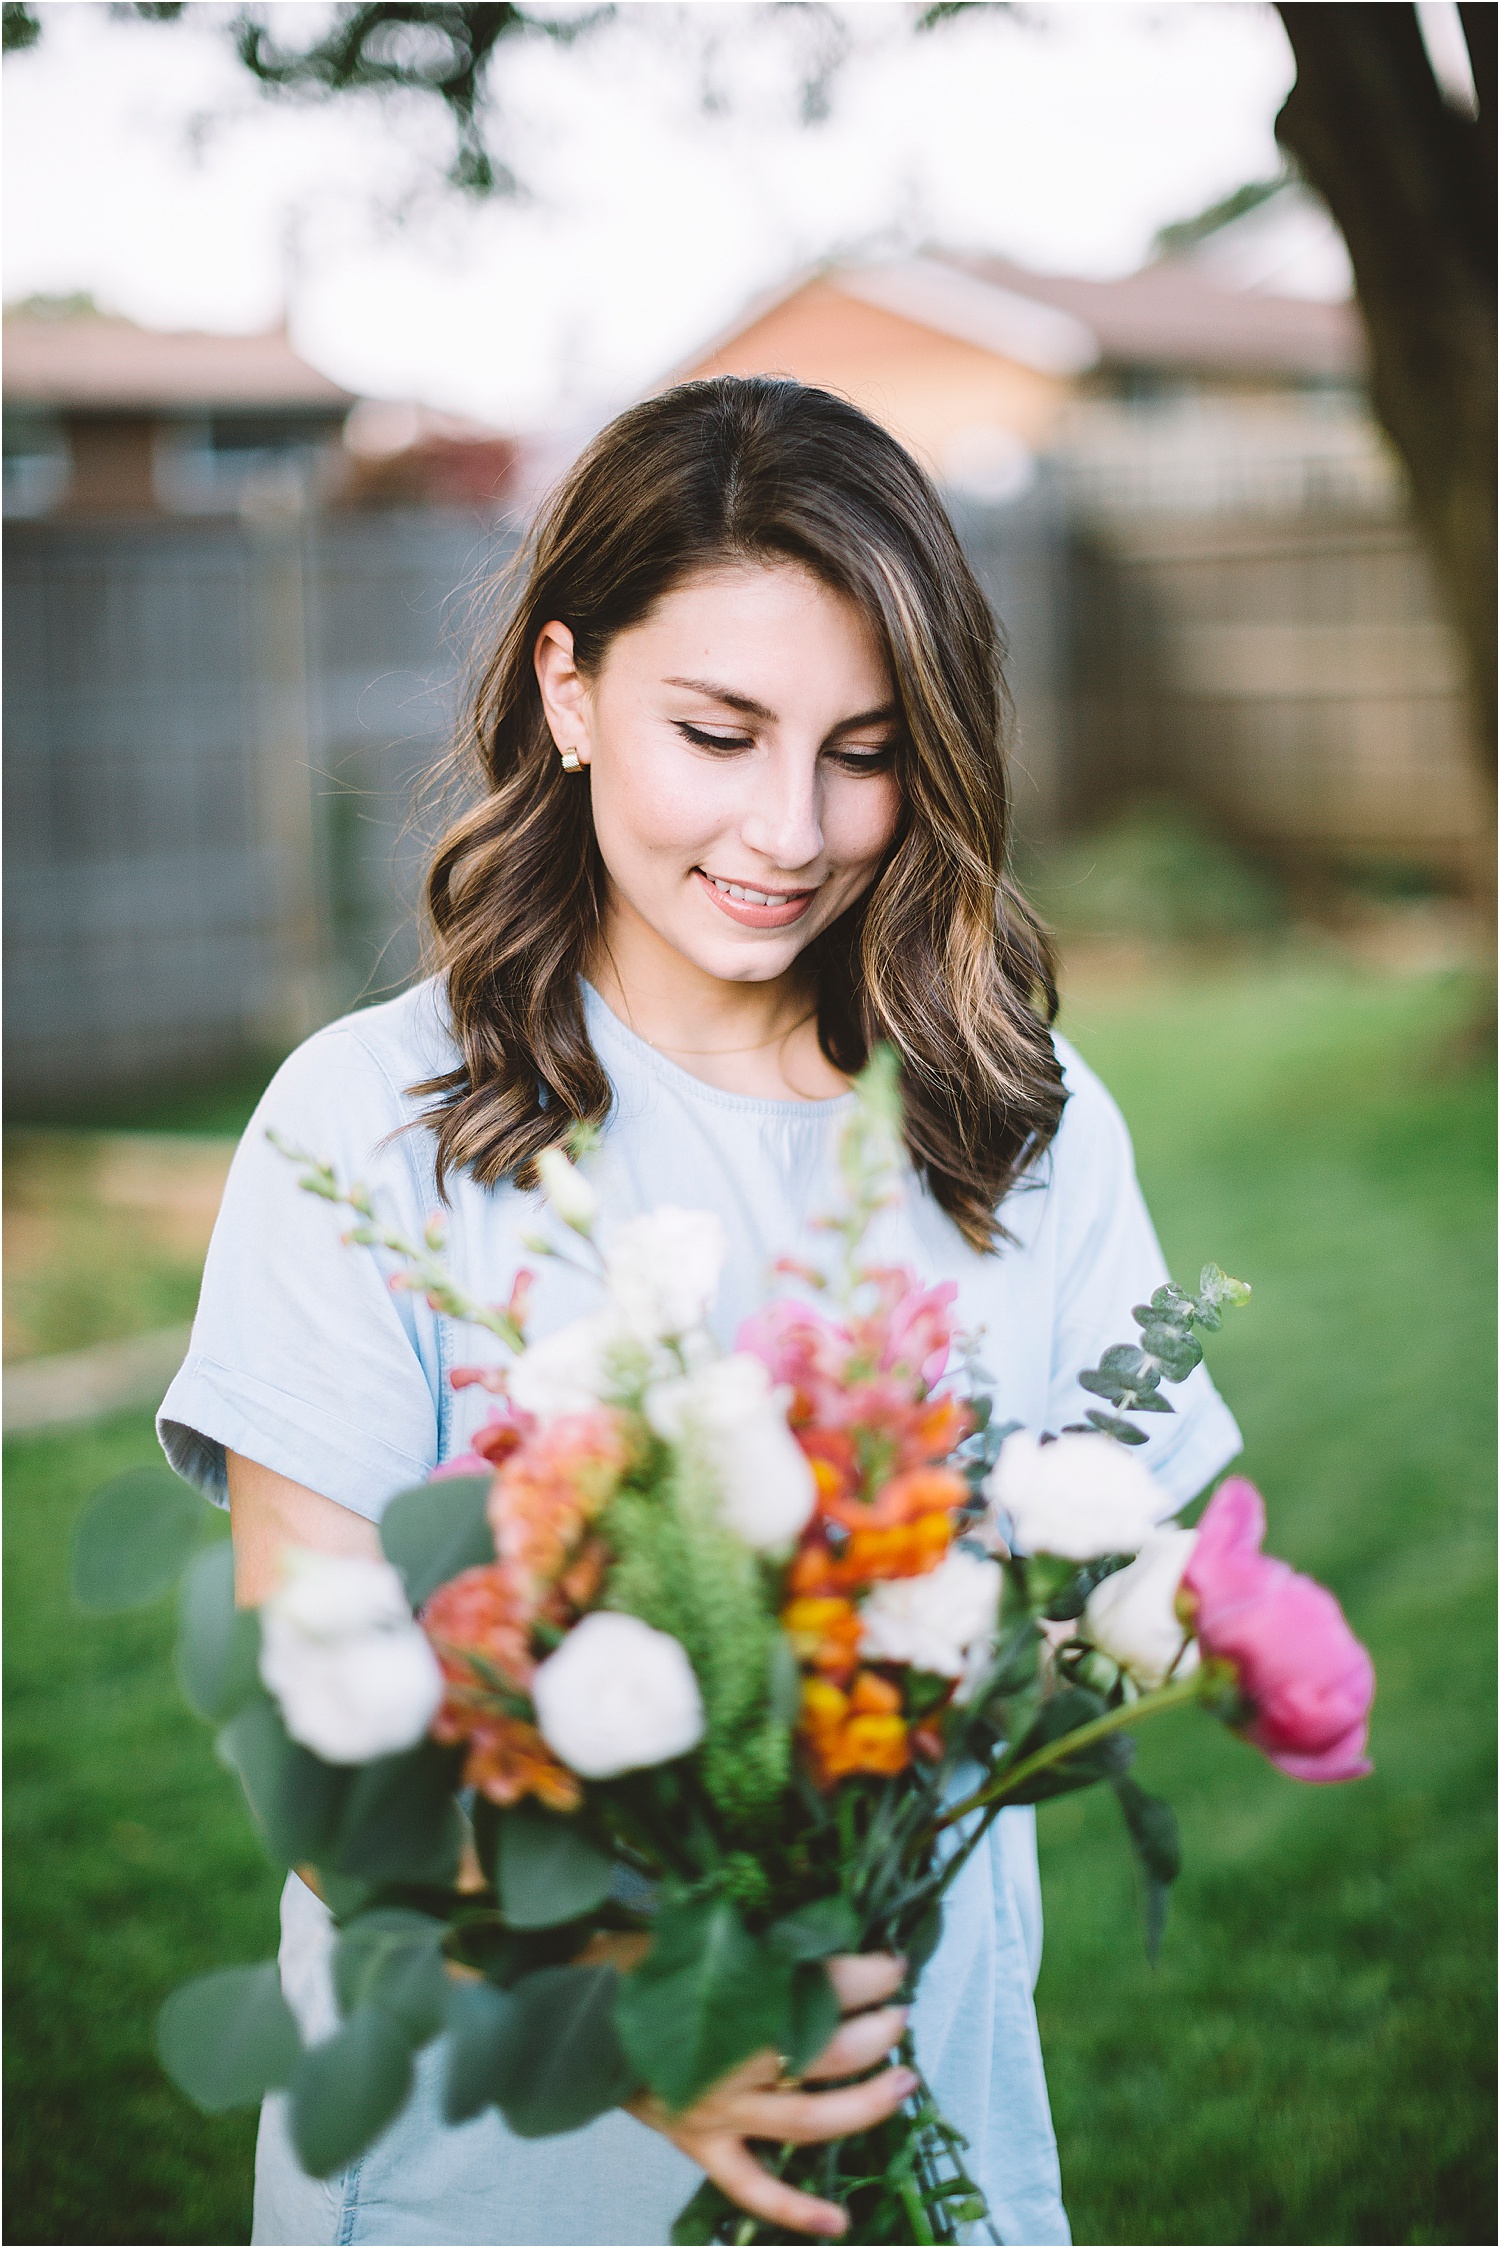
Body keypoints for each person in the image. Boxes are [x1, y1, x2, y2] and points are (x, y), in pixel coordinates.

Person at [159, 376, 1241, 2248]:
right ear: (569, 689)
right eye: (720, 733)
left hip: (919, 2142)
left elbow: (1129, 1593)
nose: (793, 830)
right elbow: (323, 1720)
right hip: (495, 2161)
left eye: (866, 749)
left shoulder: (1021, 1125)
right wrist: (641, 2026)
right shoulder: (374, 1129)